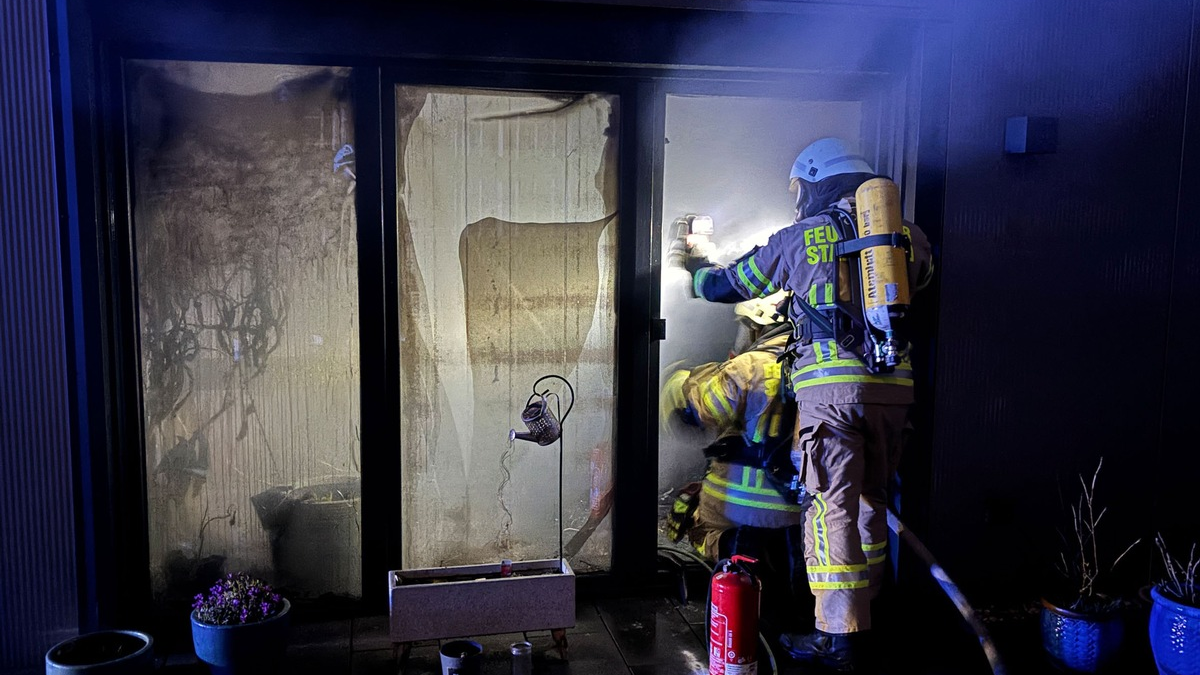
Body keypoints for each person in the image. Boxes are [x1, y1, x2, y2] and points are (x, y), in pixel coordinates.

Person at [686, 137, 934, 672]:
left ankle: (835, 637)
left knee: (830, 508)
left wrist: (696, 265)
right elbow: (924, 281)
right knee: (871, 504)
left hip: (831, 397)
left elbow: (727, 285)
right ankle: (864, 623)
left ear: (816, 184)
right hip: (894, 394)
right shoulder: (907, 238)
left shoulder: (801, 237)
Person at [660, 295, 811, 633]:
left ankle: (733, 551)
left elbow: (693, 414)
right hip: (800, 510)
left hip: (740, 507)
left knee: (695, 525)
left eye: (745, 327)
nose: (741, 336)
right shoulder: (814, 366)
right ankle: (793, 611)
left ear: (759, 325)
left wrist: (675, 378)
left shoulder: (750, 365)